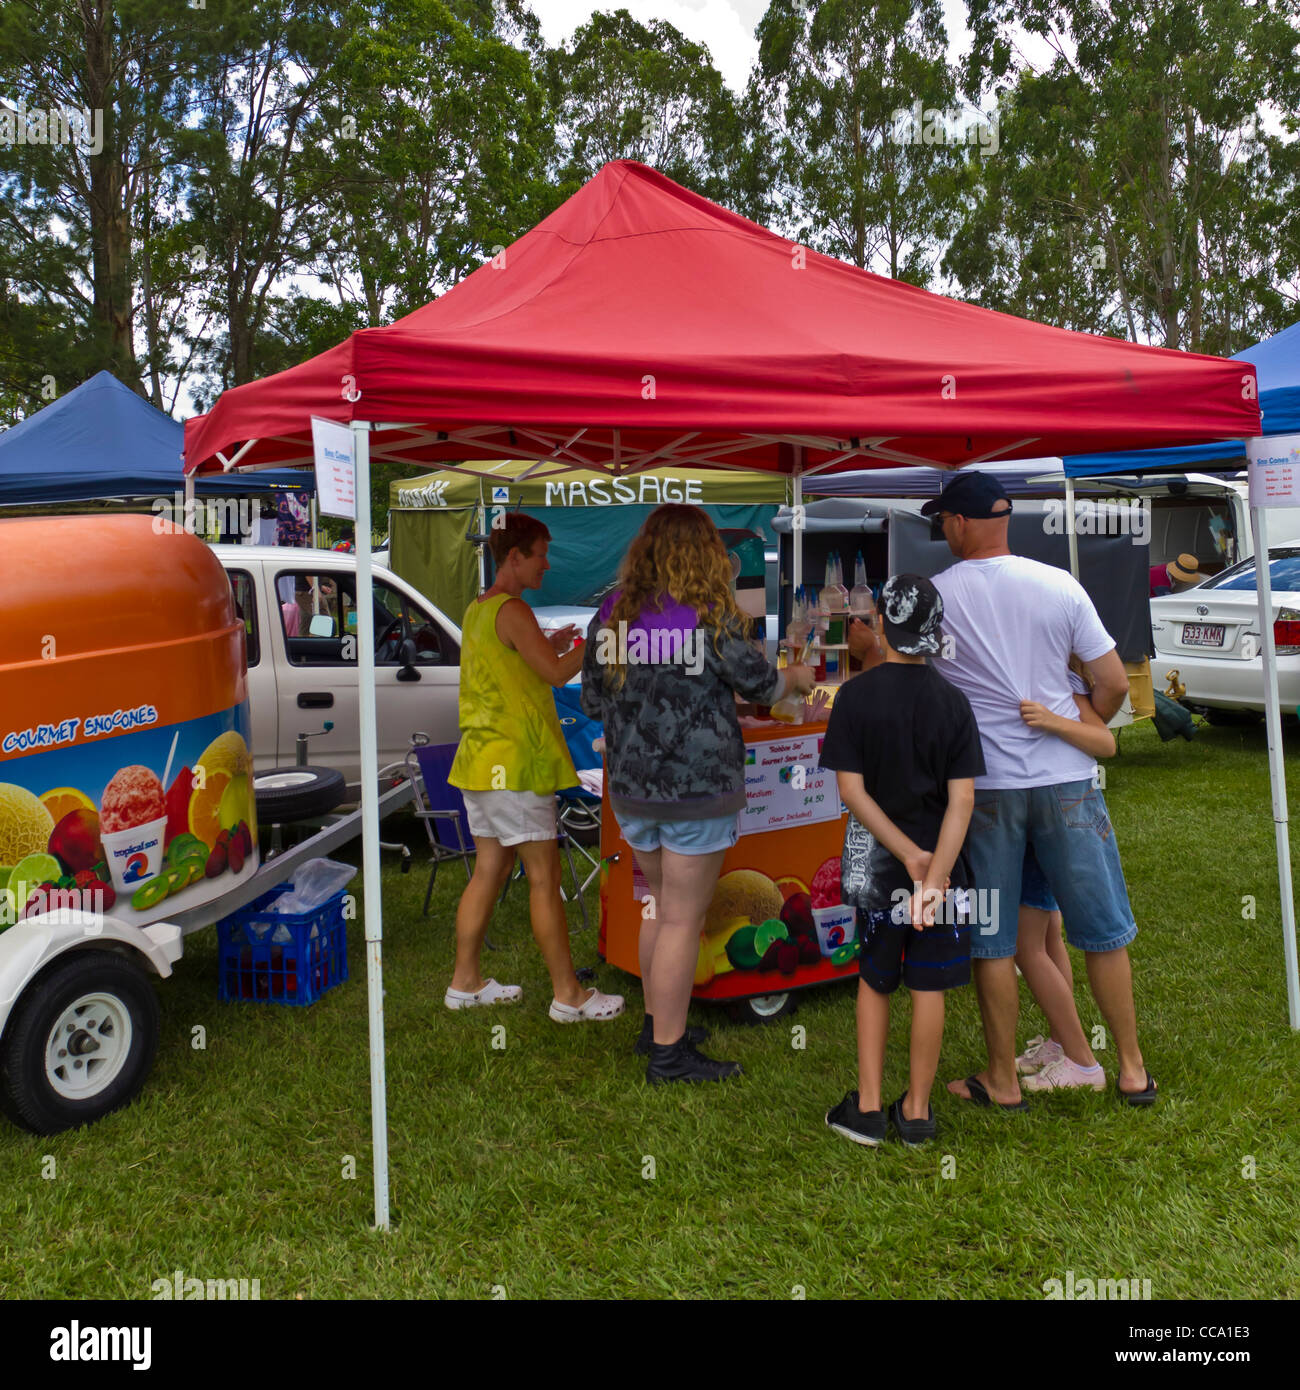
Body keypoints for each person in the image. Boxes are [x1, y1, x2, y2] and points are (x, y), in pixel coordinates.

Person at [921, 471, 1156, 1108]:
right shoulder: (1059, 584)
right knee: (1102, 930)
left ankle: (1001, 1080)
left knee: (994, 939)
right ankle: (1131, 1069)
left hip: (986, 791)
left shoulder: (936, 596)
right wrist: (1075, 719)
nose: (941, 529)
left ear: (960, 523)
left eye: (942, 519)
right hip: (1068, 783)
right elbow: (1111, 685)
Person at [580, 504, 816, 1084]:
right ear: (706, 554)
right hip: (696, 790)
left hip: (632, 791)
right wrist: (799, 678)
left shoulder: (610, 616)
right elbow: (763, 685)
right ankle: (669, 1054)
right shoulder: (712, 618)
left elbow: (592, 703)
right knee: (684, 919)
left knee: (661, 908)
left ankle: (658, 1024)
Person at [820, 575, 984, 1146]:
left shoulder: (856, 696)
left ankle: (866, 1109)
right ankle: (916, 1112)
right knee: (928, 987)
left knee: (874, 979)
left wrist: (907, 856)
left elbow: (852, 792)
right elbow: (963, 800)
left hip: (878, 868)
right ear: (938, 634)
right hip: (943, 873)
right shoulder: (954, 701)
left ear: (883, 627)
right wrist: (934, 874)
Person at [446, 512, 624, 1023]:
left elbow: (516, 669)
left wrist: (557, 645)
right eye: (542, 553)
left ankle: (465, 982)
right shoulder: (515, 610)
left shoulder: (479, 609)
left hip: (480, 762)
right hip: (516, 765)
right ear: (515, 557)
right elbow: (551, 675)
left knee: (489, 869)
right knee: (544, 877)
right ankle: (569, 995)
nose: (548, 563)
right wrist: (594, 642)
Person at [1013, 662, 1117, 1092]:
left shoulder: (1065, 687)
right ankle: (1061, 1041)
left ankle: (1082, 1061)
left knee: (1027, 943)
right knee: (1047, 931)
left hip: (1057, 805)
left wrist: (1052, 720)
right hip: (1037, 805)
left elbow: (1105, 743)